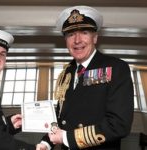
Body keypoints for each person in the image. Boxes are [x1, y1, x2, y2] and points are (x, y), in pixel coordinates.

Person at [36, 6, 134, 150]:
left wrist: (66, 138)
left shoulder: (116, 68)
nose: (77, 40)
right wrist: (46, 142)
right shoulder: (67, 72)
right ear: (66, 41)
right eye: (70, 35)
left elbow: (119, 125)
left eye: (84, 32)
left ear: (95, 37)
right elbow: (61, 117)